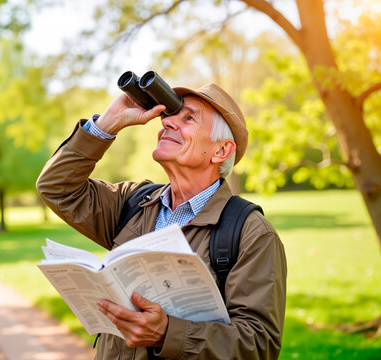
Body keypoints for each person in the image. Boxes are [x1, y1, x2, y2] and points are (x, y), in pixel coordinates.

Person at [36, 82, 287, 359]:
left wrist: (168, 333)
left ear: (221, 151)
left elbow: (260, 345)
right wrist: (106, 125)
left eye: (188, 118)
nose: (166, 123)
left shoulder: (251, 233)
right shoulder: (132, 203)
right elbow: (56, 187)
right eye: (167, 116)